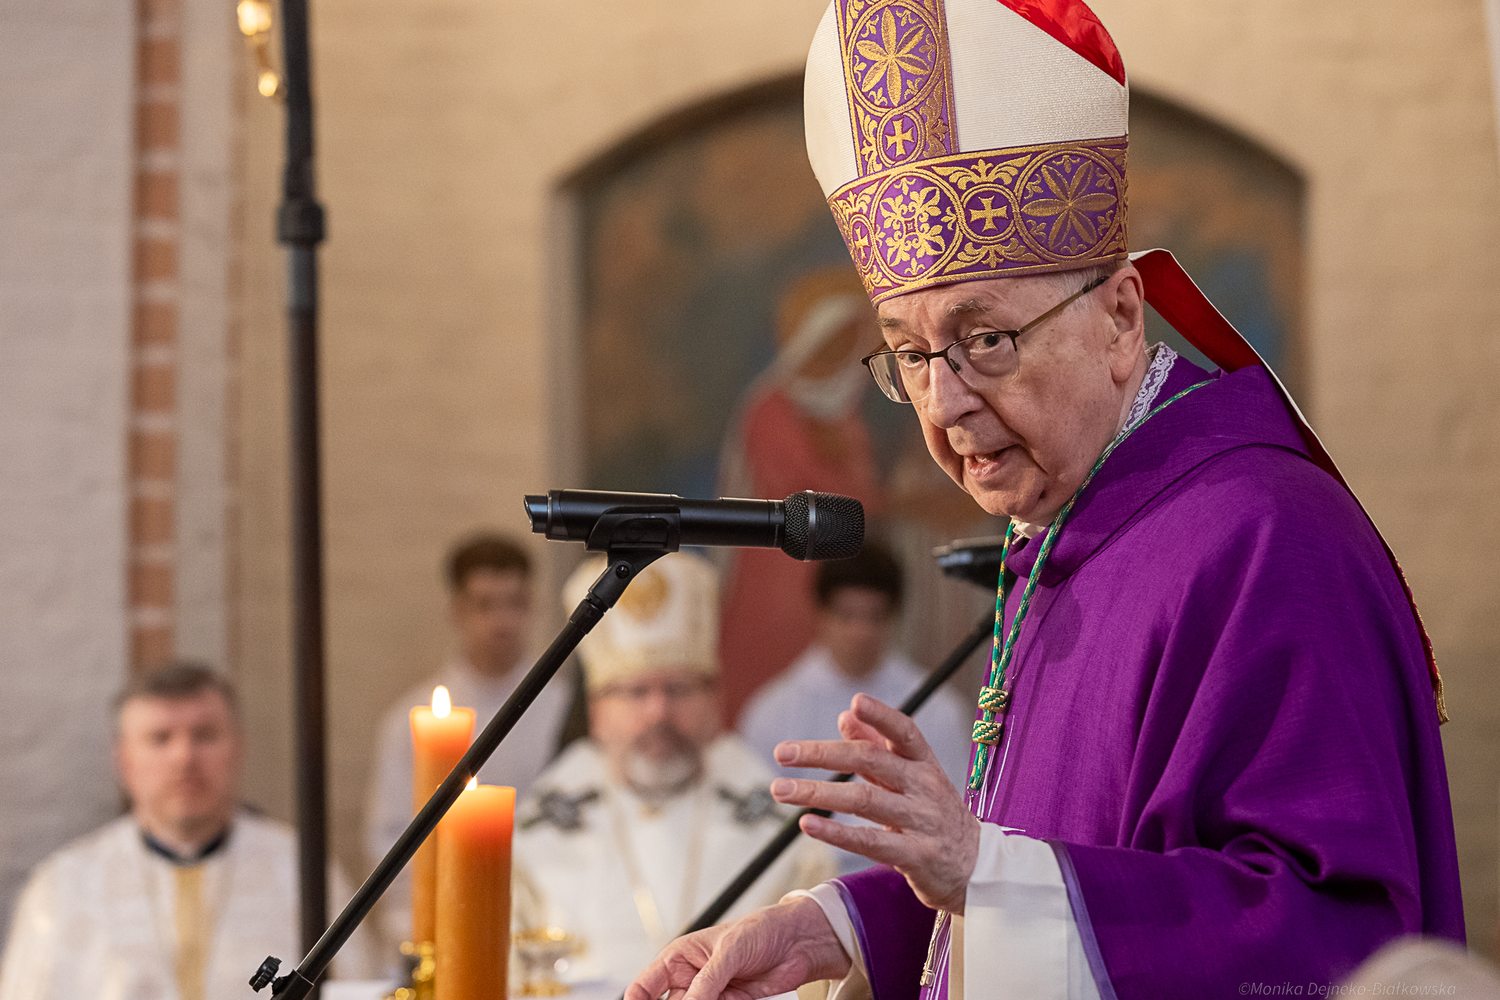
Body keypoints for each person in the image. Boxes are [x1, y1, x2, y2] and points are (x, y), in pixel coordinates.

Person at [627, 3, 1463, 999]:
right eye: (909, 351)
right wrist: (841, 924)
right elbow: (1062, 869)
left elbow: (1337, 943)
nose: (943, 402)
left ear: (1118, 318)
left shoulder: (1266, 538)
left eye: (987, 340)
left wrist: (984, 872)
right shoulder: (1067, 533)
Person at [512, 552, 833, 991]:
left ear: (716, 699)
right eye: (635, 691)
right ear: (596, 710)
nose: (658, 711)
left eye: (679, 689)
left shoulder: (779, 822)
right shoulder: (539, 828)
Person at [0, 662, 377, 1000]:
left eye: (205, 735)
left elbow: (360, 989)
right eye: (160, 738)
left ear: (238, 748)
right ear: (124, 762)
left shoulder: (301, 870)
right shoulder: (62, 887)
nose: (185, 757)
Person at [364, 532, 570, 950]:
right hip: (447, 919)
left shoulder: (566, 711)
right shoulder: (409, 720)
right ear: (457, 611)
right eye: (485, 605)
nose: (502, 622)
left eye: (515, 604)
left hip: (548, 922)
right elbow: (388, 837)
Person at [739, 541, 972, 874]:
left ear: (894, 617)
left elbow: (954, 815)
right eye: (846, 616)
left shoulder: (938, 709)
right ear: (820, 614)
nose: (860, 632)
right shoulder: (771, 712)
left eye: (874, 617)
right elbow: (755, 821)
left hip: (905, 882)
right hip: (801, 884)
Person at [717, 267, 886, 724]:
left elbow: (861, 495)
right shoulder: (769, 409)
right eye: (831, 341)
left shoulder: (846, 416)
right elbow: (805, 493)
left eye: (849, 341)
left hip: (832, 570)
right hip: (775, 575)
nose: (839, 353)